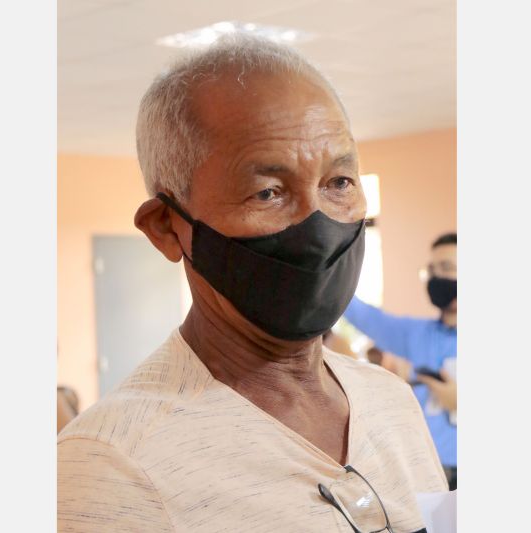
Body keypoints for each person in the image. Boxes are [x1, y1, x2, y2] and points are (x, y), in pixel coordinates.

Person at [57, 35, 447, 532]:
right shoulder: (110, 465)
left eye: (339, 183)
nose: (319, 225)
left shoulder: (389, 401)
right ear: (166, 227)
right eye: (267, 192)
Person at [344, 232, 458, 489]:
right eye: (432, 269)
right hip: (428, 472)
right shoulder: (416, 334)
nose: (436, 276)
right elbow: (363, 315)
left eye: (447, 268)